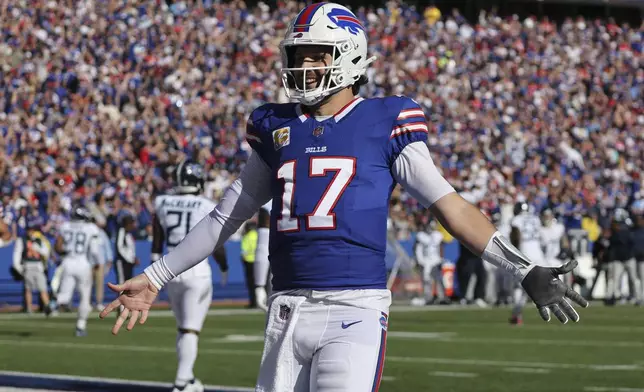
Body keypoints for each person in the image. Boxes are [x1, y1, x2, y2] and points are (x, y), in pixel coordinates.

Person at [100, 3, 588, 392]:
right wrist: (155, 275)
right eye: (299, 55)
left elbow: (450, 205)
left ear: (348, 56)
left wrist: (522, 268)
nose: (304, 65)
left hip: (354, 308)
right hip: (285, 309)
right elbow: (224, 217)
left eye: (317, 54)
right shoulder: (276, 127)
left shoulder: (385, 121)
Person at [151, 159, 229, 392]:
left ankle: (189, 379)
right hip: (196, 269)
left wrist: (155, 270)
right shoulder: (205, 204)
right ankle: (182, 383)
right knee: (190, 330)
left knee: (183, 328)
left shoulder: (162, 201)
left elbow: (156, 241)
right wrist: (224, 267)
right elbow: (215, 241)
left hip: (170, 268)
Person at [56, 207, 102, 336]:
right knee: (85, 298)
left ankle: (55, 302)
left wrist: (62, 253)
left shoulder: (65, 226)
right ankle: (80, 326)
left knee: (65, 295)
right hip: (83, 263)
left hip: (68, 262)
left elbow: (58, 246)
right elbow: (94, 251)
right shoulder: (91, 228)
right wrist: (97, 263)